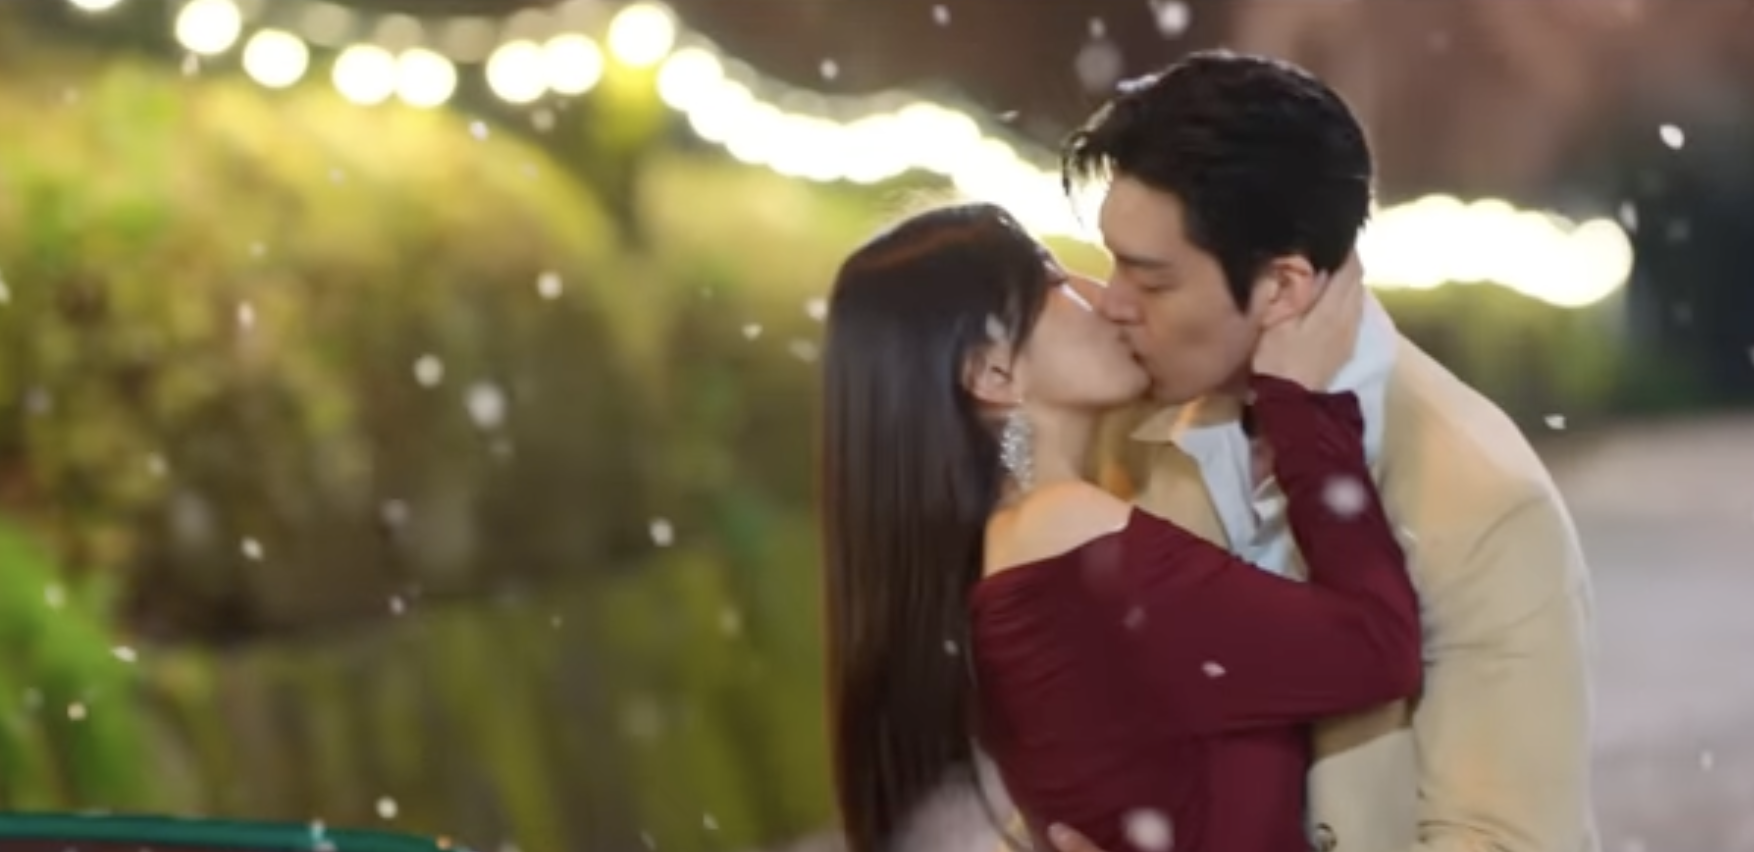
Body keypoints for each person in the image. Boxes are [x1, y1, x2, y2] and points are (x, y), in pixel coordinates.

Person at [1049, 51, 1597, 852]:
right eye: (1112, 262)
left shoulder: (1481, 504)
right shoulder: (1140, 429)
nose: (1113, 304)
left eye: (1153, 281)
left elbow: (1504, 839)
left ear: (1283, 288)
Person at [819, 202, 1423, 852]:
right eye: (1054, 281)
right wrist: (1304, 404)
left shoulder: (1023, 552)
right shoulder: (1060, 533)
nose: (1107, 298)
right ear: (994, 372)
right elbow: (1378, 648)